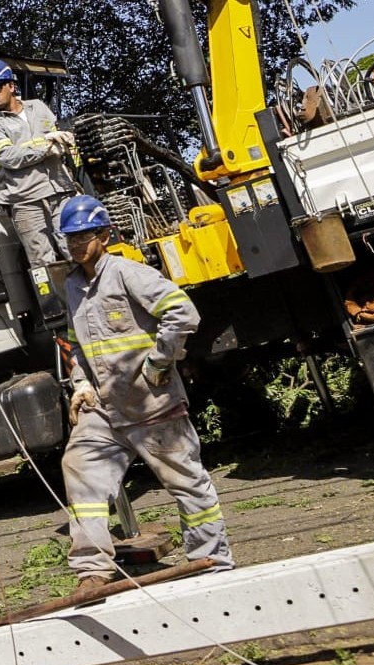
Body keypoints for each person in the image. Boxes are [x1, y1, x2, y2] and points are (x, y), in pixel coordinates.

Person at [55, 194, 234, 594]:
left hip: (151, 402)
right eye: (70, 239)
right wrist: (81, 382)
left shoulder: (127, 273)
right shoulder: (72, 286)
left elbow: (181, 311)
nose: (76, 245)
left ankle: (211, 558)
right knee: (80, 473)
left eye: (83, 236)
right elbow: (76, 343)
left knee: (186, 481)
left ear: (103, 234)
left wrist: (160, 361)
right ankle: (92, 570)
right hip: (105, 407)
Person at [0, 58, 79, 269]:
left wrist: (62, 142)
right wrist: (47, 147)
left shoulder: (39, 108)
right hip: (26, 201)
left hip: (61, 192)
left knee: (77, 248)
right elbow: (9, 156)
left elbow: (56, 135)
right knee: (43, 263)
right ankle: (55, 302)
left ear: (11, 86)